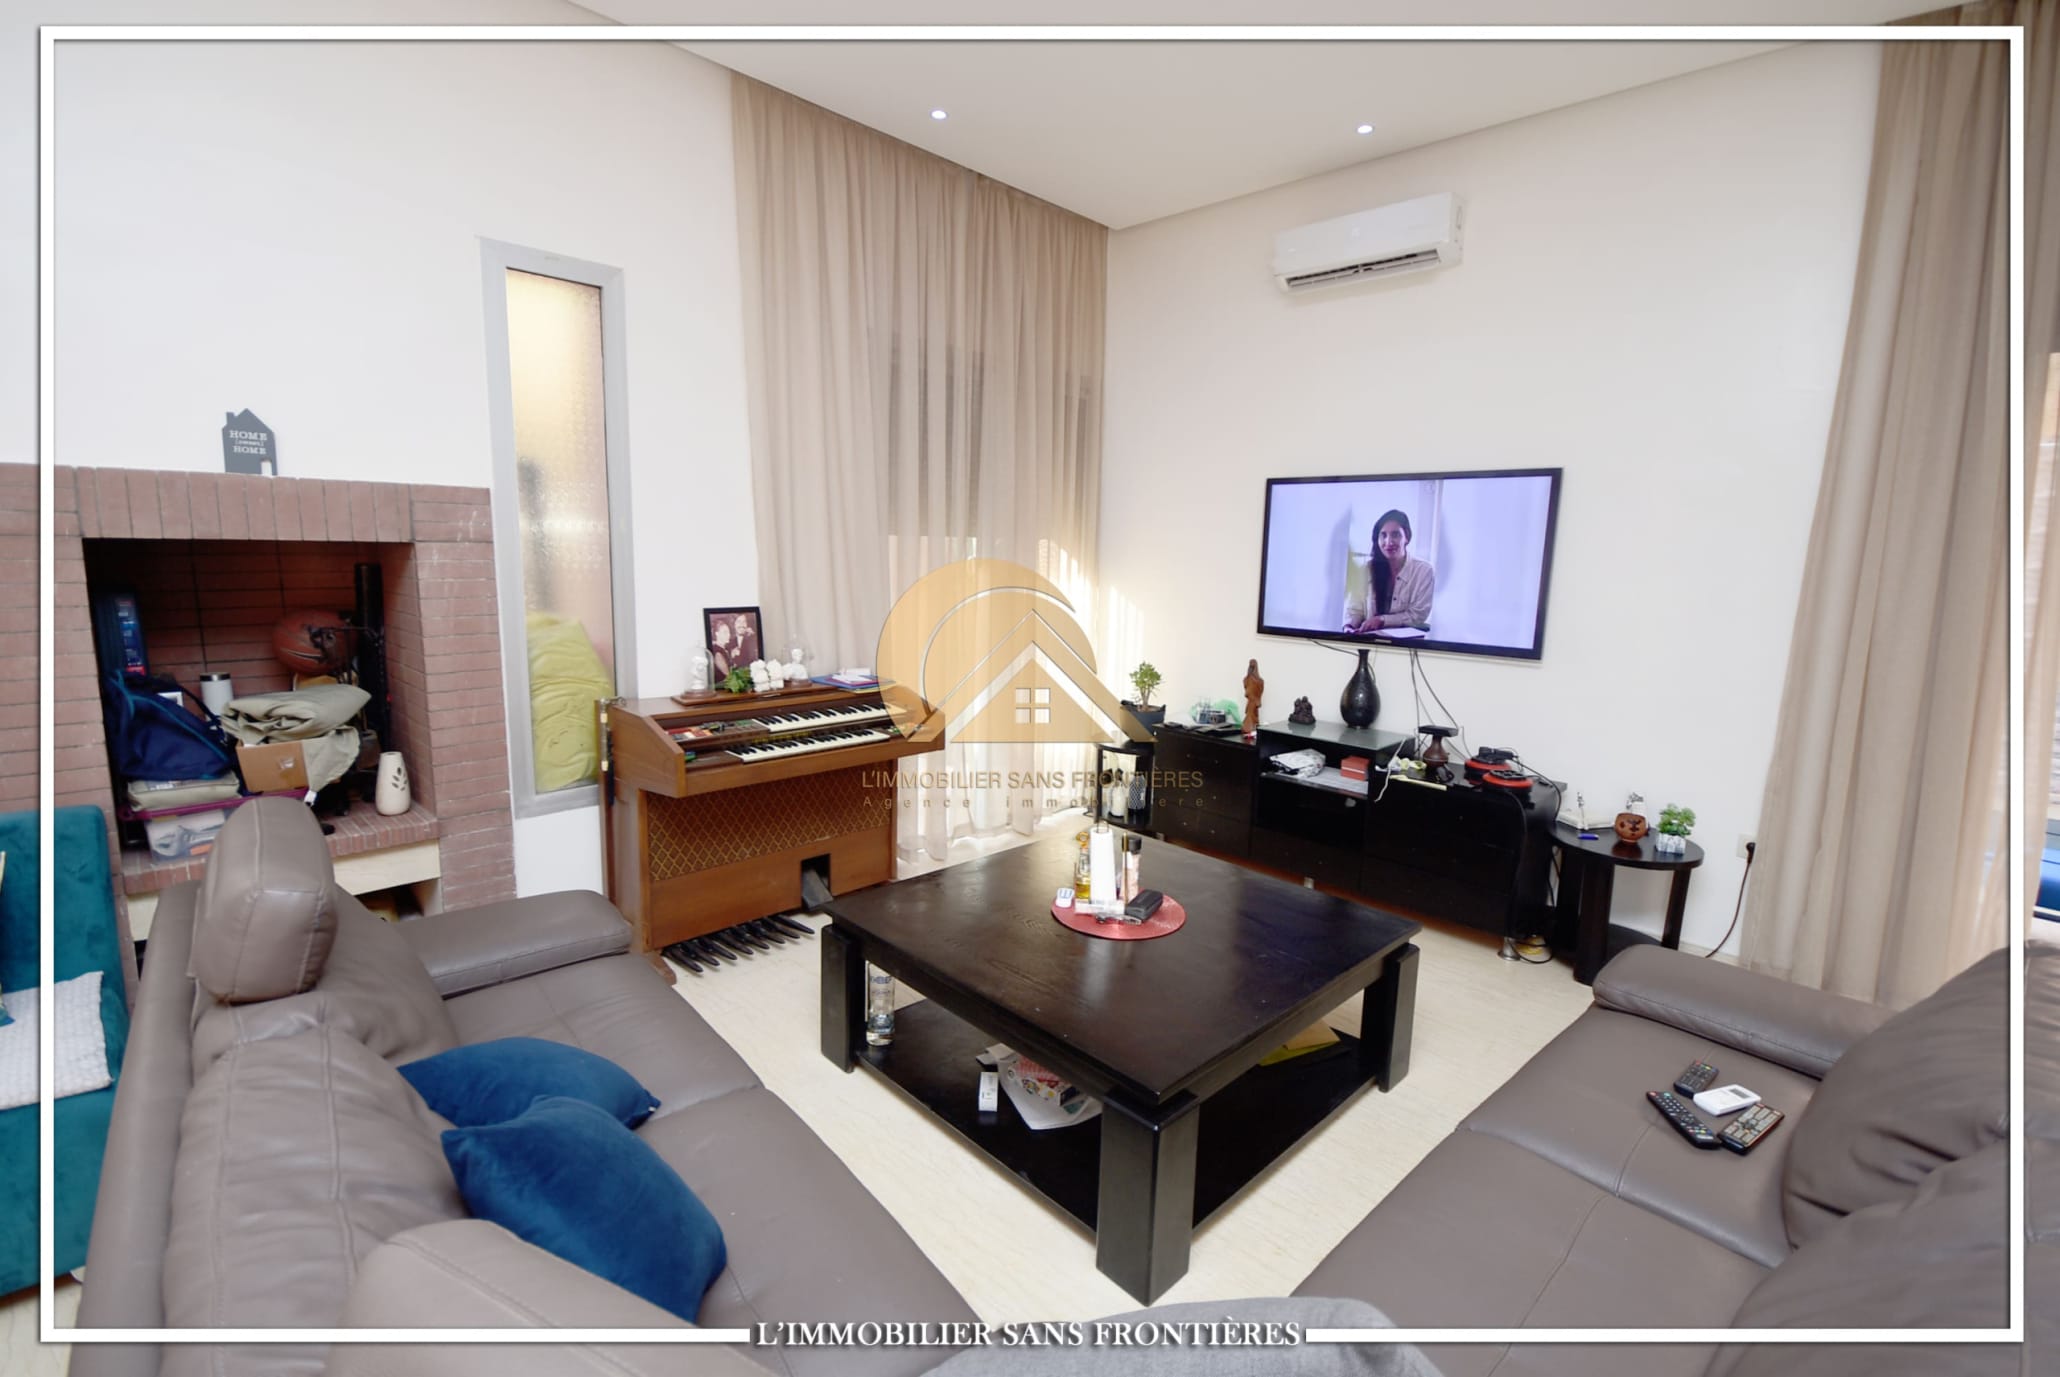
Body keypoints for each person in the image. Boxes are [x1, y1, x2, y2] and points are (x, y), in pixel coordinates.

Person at [1345, 509, 1435, 632]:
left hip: (1405, 642)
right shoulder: (1365, 570)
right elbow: (1354, 611)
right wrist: (1349, 627)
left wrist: (1382, 620)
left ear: (1407, 537)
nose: (1389, 542)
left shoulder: (1424, 571)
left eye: (1395, 535)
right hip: (1368, 639)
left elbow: (1418, 615)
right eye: (1383, 535)